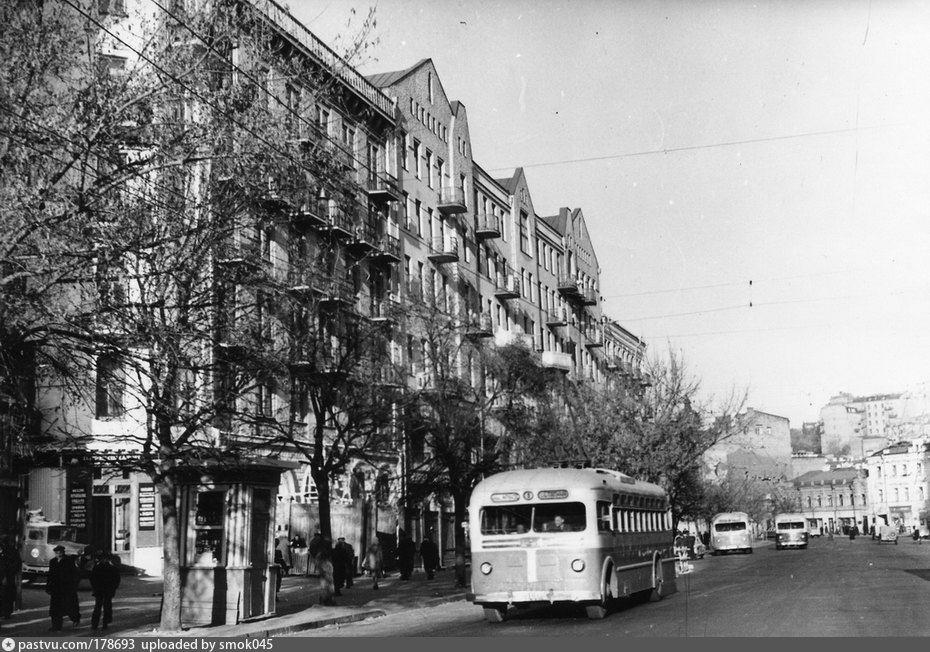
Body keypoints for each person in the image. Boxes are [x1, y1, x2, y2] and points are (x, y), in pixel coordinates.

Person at [46, 545, 80, 631]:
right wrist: (48, 587)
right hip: (56, 588)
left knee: (69, 605)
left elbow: (74, 574)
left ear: (63, 552)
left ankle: (75, 618)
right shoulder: (53, 562)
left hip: (66, 587)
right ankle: (56, 625)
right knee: (55, 608)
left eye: (60, 552)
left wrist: (73, 586)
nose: (58, 554)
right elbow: (50, 575)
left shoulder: (68, 561)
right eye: (57, 552)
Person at [89, 551, 120, 631]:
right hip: (100, 590)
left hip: (107, 590)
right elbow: (92, 579)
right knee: (98, 607)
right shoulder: (98, 567)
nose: (104, 560)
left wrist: (113, 588)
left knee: (106, 607)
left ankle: (104, 623)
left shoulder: (111, 568)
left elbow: (116, 580)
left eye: (105, 559)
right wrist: (95, 587)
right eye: (102, 559)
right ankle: (95, 624)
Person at [0, 535, 22, 621]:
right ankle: (6, 612)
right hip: (8, 576)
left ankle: (6, 612)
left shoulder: (10, 551)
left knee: (7, 595)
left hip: (7, 576)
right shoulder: (13, 550)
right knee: (7, 595)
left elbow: (16, 564)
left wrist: (7, 575)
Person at [316, 537, 335, 605]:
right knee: (326, 587)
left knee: (327, 587)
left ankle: (327, 600)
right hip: (325, 573)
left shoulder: (322, 555)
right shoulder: (322, 555)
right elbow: (319, 565)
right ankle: (325, 600)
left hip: (327, 573)